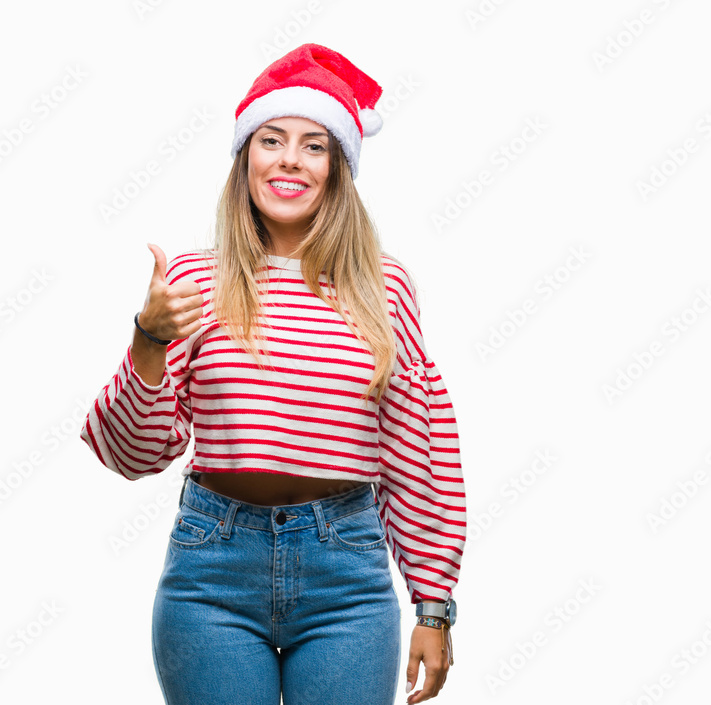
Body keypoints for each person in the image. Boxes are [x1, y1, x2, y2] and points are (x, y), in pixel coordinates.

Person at [79, 44, 466, 705]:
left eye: (314, 145)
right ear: (246, 158)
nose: (290, 159)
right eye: (272, 140)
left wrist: (434, 604)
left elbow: (418, 448)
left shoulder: (384, 286)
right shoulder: (193, 282)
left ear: (337, 169)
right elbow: (132, 453)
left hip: (346, 576)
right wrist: (147, 339)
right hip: (211, 573)